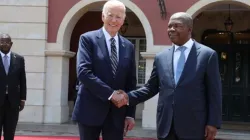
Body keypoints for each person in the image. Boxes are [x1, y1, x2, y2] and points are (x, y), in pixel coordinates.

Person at [114, 12, 222, 140]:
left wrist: (213, 123)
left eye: (177, 26)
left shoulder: (207, 55)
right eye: (170, 26)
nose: (171, 29)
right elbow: (151, 88)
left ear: (189, 29)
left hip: (194, 125)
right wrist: (127, 97)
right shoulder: (161, 57)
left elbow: (214, 92)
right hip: (166, 126)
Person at [71, 0, 137, 140]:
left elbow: (131, 82)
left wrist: (130, 114)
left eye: (118, 17)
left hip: (117, 113)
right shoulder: (87, 39)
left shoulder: (128, 46)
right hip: (90, 108)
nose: (114, 20)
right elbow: (83, 72)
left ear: (123, 19)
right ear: (102, 17)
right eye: (110, 15)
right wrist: (111, 94)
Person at [0, 33, 27, 140]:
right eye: (2, 41)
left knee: (10, 132)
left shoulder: (19, 59)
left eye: (7, 42)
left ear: (11, 44)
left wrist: (23, 99)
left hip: (13, 102)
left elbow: (23, 80)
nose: (4, 44)